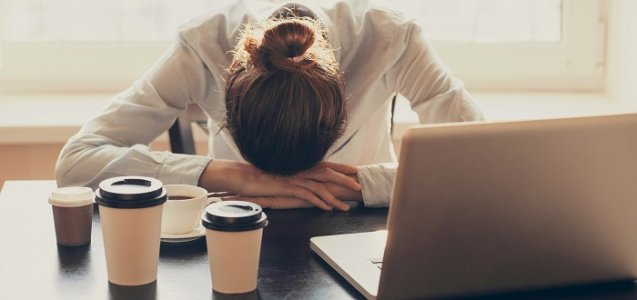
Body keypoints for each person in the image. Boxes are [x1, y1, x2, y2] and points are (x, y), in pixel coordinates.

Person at [55, 1, 484, 211]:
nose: (291, 182)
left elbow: (484, 163)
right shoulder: (203, 44)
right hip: (237, 221)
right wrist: (236, 176)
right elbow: (76, 162)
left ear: (341, 101)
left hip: (361, 230)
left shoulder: (393, 39)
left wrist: (355, 184)